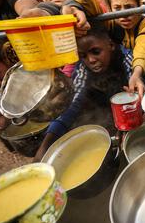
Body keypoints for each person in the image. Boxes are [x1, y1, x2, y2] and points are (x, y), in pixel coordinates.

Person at [34, 26, 134, 160]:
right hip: (101, 117)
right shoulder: (83, 69)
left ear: (111, 45)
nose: (91, 60)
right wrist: (46, 145)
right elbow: (73, 104)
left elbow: (137, 91)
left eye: (96, 52)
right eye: (83, 56)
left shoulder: (128, 59)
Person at [107, 0, 145, 98]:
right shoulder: (110, 23)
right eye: (117, 9)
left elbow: (144, 46)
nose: (124, 14)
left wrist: (137, 73)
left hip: (142, 72)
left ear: (139, 6)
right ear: (110, 9)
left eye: (129, 7)